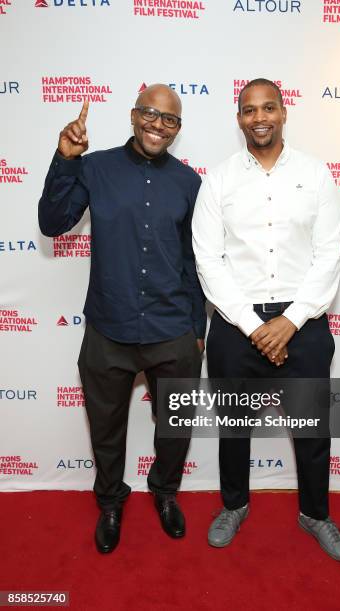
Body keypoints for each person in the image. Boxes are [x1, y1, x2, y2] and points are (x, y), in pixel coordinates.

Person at [39, 84, 206, 553]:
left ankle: (166, 493)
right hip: (108, 328)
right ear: (134, 116)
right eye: (150, 114)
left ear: (177, 128)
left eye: (169, 119)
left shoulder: (190, 183)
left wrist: (198, 329)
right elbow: (53, 223)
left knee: (175, 427)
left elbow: (195, 262)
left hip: (173, 329)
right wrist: (65, 159)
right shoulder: (95, 167)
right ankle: (111, 501)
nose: (158, 124)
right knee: (107, 428)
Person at [192, 78, 340, 562]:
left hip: (302, 322)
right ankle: (234, 506)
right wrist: (251, 324)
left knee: (311, 428)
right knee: (234, 425)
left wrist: (293, 319)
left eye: (268, 108)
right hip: (235, 324)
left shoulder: (316, 174)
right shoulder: (218, 180)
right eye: (248, 110)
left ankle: (315, 514)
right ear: (238, 117)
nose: (258, 117)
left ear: (284, 112)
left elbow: (329, 253)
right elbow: (209, 259)